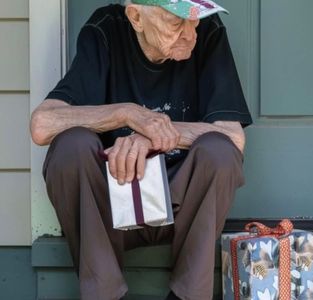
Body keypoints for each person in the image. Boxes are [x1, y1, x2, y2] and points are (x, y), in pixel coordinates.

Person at [30, 0, 252, 299]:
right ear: (136, 16)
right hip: (112, 205)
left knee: (220, 152)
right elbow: (43, 125)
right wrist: (127, 114)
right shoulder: (106, 28)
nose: (191, 34)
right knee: (71, 146)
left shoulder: (208, 31)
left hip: (180, 204)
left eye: (195, 21)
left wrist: (153, 134)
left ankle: (188, 295)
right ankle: (104, 292)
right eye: (177, 23)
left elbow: (233, 138)